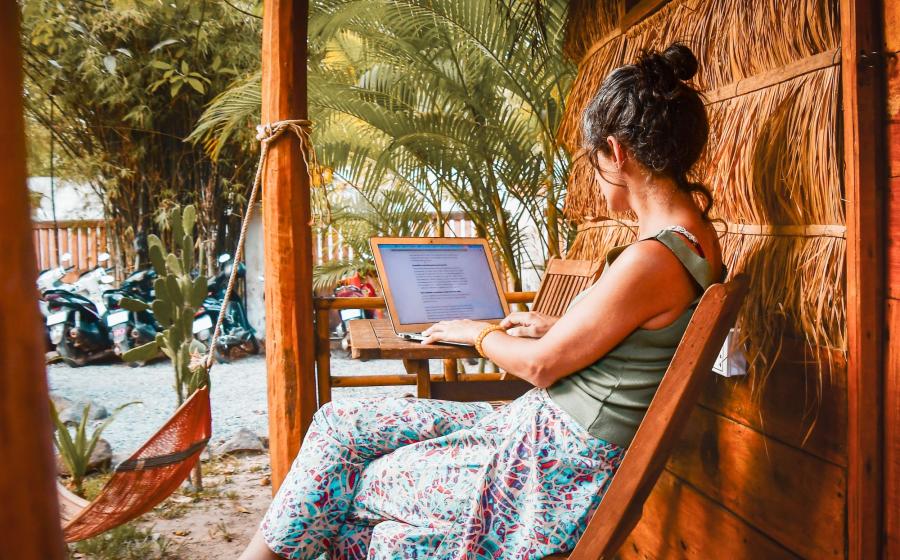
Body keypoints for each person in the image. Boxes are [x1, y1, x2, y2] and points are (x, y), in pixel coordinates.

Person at [240, 42, 727, 560]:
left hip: (547, 465)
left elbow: (541, 367)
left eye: (592, 160)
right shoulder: (689, 239)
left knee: (357, 493)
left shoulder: (653, 259)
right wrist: (553, 324)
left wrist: (476, 331)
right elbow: (633, 336)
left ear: (617, 152)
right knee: (342, 438)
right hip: (538, 436)